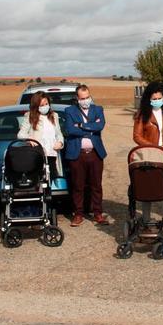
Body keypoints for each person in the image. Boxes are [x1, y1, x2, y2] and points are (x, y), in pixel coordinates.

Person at [132, 82, 163, 223]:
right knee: (148, 186)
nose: (157, 101)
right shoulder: (142, 115)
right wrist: (153, 147)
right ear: (149, 99)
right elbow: (137, 136)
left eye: (159, 98)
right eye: (154, 99)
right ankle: (146, 219)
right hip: (148, 154)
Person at [63, 84, 110, 227]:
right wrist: (90, 127)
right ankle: (78, 214)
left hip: (95, 154)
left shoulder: (98, 109)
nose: (85, 100)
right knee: (78, 185)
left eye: (87, 97)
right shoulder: (69, 110)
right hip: (77, 154)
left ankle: (97, 213)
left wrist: (81, 126)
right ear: (77, 98)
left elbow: (100, 125)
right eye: (82, 98)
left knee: (96, 185)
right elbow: (70, 129)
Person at [18, 91, 65, 179]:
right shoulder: (29, 116)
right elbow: (20, 134)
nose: (45, 107)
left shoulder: (54, 116)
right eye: (42, 105)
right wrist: (29, 138)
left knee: (51, 181)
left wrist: (60, 142)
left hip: (52, 155)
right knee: (39, 182)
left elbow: (59, 134)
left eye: (46, 104)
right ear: (36, 106)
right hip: (37, 155)